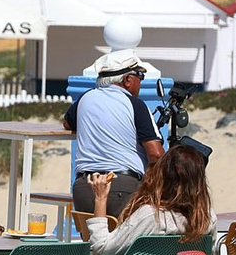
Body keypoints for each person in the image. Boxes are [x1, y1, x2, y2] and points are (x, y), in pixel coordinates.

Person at [62, 49, 165, 234]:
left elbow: (67, 123)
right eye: (139, 75)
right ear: (127, 80)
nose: (141, 81)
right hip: (122, 187)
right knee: (128, 250)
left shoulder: (84, 99)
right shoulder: (135, 105)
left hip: (84, 188)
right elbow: (156, 154)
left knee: (94, 246)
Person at [85, 143, 214, 255]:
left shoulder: (151, 216)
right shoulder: (207, 217)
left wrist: (100, 198)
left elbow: (100, 248)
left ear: (162, 176)